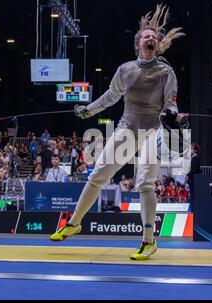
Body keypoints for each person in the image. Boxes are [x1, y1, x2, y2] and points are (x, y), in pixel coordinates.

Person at [50, 4, 185, 261]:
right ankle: (74, 223)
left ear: (157, 45)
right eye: (147, 36)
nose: (151, 38)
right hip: (128, 128)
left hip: (154, 130)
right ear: (138, 44)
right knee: (98, 174)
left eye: (154, 37)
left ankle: (149, 241)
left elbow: (171, 102)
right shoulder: (125, 69)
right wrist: (88, 110)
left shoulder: (166, 71)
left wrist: (171, 113)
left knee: (145, 182)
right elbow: (111, 95)